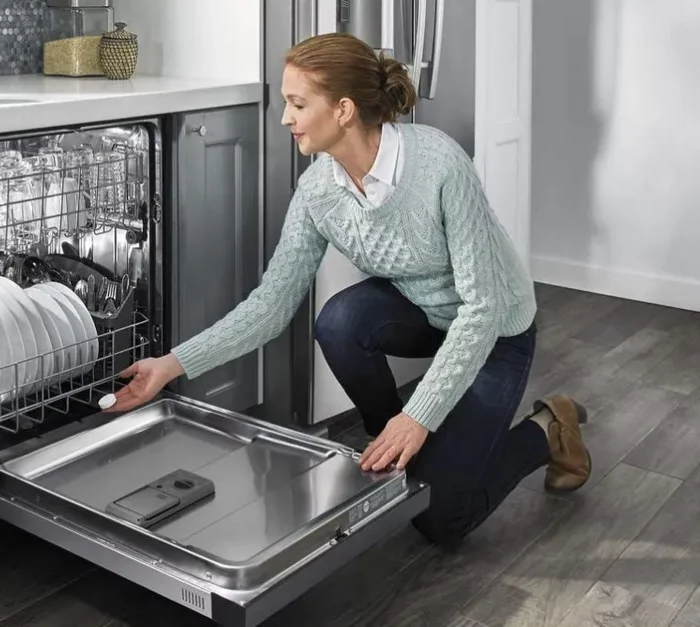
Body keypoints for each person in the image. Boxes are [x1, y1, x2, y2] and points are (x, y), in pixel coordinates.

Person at [104, 33, 592, 547]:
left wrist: (419, 415)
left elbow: (482, 309)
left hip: (495, 329)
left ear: (342, 110)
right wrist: (171, 365)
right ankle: (400, 447)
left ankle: (546, 427)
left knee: (443, 517)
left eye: (297, 104)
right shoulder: (318, 190)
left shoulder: (440, 165)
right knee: (339, 322)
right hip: (424, 312)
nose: (285, 118)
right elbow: (272, 304)